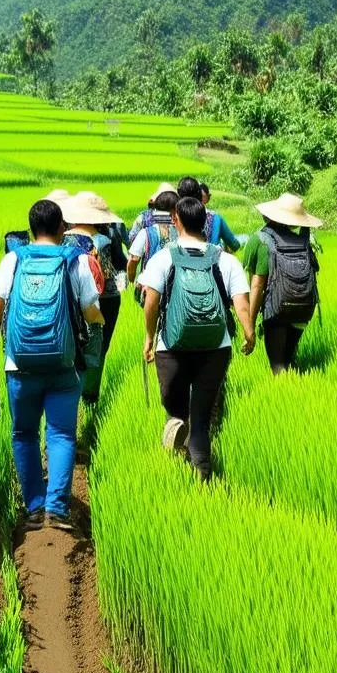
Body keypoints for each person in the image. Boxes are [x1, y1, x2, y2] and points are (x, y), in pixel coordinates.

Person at [0, 198, 104, 532]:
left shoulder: (13, 259)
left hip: (19, 365)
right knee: (62, 433)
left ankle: (34, 508)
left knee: (23, 434)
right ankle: (56, 510)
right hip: (64, 366)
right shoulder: (75, 261)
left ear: (29, 228)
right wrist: (96, 328)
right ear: (62, 228)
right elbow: (92, 312)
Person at [139, 195, 255, 481]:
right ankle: (202, 474)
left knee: (175, 407)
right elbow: (241, 301)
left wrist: (150, 337)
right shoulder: (225, 259)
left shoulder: (163, 257)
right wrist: (249, 333)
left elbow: (151, 299)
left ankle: (177, 428)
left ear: (175, 220)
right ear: (205, 221)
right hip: (216, 347)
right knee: (202, 420)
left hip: (173, 346)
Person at [244, 192, 323, 375]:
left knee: (278, 366)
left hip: (277, 312)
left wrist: (250, 323)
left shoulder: (261, 240)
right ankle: (298, 390)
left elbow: (257, 285)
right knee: (290, 360)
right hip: (303, 310)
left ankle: (289, 397)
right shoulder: (303, 241)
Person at [61, 190, 127, 404]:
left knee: (72, 344)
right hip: (106, 299)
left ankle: (70, 390)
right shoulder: (107, 239)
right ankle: (90, 395)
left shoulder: (62, 240)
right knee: (99, 348)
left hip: (70, 298)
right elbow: (121, 265)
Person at [127, 188, 179, 299]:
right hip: (176, 287)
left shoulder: (145, 233)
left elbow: (133, 260)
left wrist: (131, 280)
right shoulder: (182, 233)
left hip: (149, 287)